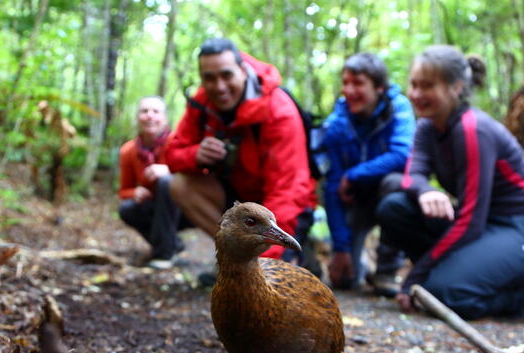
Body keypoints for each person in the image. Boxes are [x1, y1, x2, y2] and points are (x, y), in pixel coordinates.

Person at [377, 45, 524, 319]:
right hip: (486, 226)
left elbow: (470, 223)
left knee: (443, 295)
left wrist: (414, 278)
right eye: (413, 85)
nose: (415, 94)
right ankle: (447, 274)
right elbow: (411, 176)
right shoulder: (427, 126)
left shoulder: (472, 129)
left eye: (427, 86)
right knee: (394, 207)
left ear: (455, 87)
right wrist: (426, 190)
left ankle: (512, 299)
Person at [165, 38, 316, 264]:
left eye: (226, 75)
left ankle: (288, 255)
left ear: (243, 71)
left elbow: (288, 191)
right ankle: (235, 262)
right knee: (180, 184)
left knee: (279, 282)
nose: (219, 86)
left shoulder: (278, 110)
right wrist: (195, 155)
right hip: (238, 200)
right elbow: (170, 154)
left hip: (284, 207)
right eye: (209, 78)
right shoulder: (202, 102)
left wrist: (268, 262)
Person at [321, 52, 415, 294]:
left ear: (379, 87)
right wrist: (341, 248)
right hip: (357, 202)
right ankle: (355, 259)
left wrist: (353, 174)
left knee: (395, 184)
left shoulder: (399, 109)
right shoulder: (337, 123)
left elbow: (403, 155)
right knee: (344, 282)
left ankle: (386, 269)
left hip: (387, 196)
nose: (349, 90)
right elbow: (332, 186)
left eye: (358, 83)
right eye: (345, 82)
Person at [118, 96, 184, 269]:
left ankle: (164, 254)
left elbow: (198, 175)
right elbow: (124, 191)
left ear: (164, 117)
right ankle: (172, 244)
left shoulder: (177, 141)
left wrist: (170, 170)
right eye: (144, 111)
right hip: (152, 208)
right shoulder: (128, 151)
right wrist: (135, 193)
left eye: (155, 111)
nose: (150, 116)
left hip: (182, 208)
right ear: (138, 117)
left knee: (165, 182)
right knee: (126, 209)